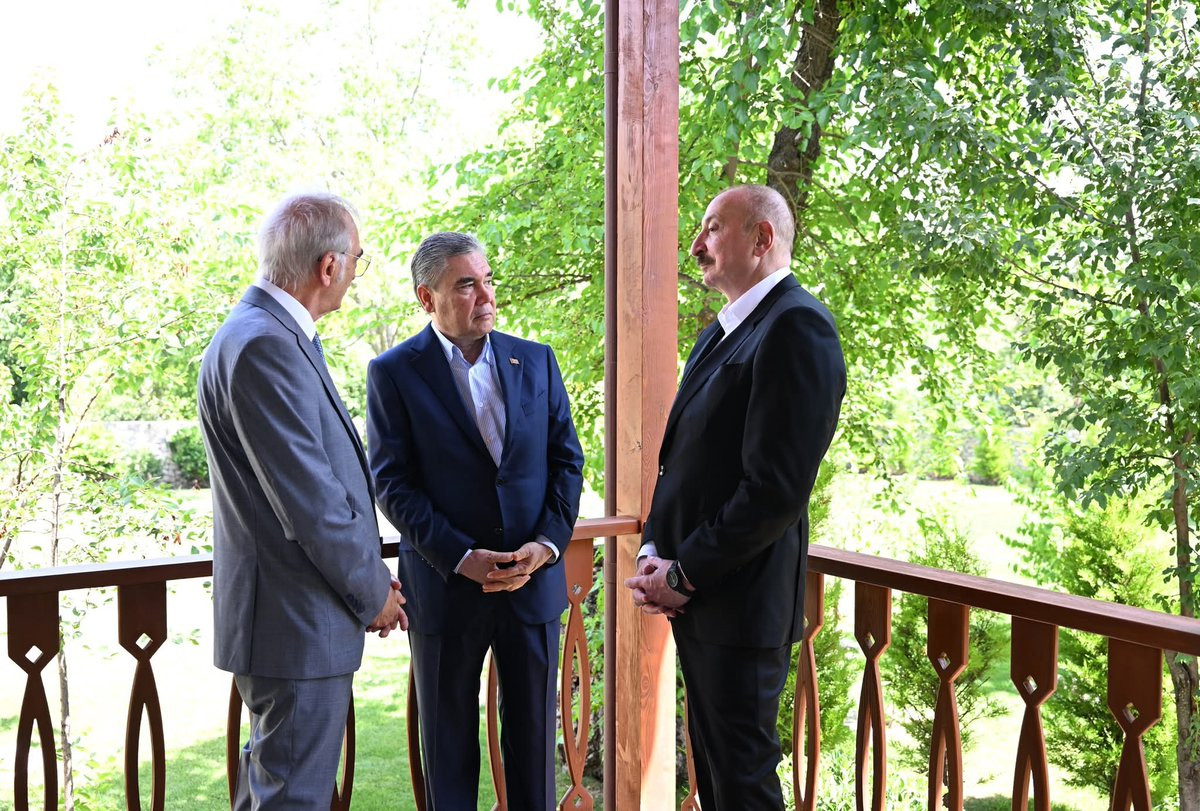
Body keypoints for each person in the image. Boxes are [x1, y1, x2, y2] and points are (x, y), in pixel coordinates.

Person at [624, 184, 846, 810]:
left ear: (761, 238)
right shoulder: (722, 334)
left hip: (742, 607)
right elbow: (684, 464)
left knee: (744, 789)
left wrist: (685, 572)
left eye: (713, 228)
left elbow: (774, 489)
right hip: (703, 602)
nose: (696, 245)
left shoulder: (797, 327)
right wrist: (655, 550)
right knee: (719, 783)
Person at [198, 192, 408, 810]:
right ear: (329, 266)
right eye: (358, 260)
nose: (356, 273)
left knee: (277, 793)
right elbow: (312, 503)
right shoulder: (264, 343)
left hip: (290, 622)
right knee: (292, 799)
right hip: (295, 623)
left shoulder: (263, 334)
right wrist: (373, 591)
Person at [366, 232, 584, 810]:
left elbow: (567, 462)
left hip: (531, 586)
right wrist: (461, 557)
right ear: (426, 297)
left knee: (534, 755)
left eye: (487, 281)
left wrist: (546, 545)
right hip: (445, 590)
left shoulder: (535, 359)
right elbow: (392, 484)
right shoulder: (393, 373)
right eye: (466, 285)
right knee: (448, 756)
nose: (486, 296)